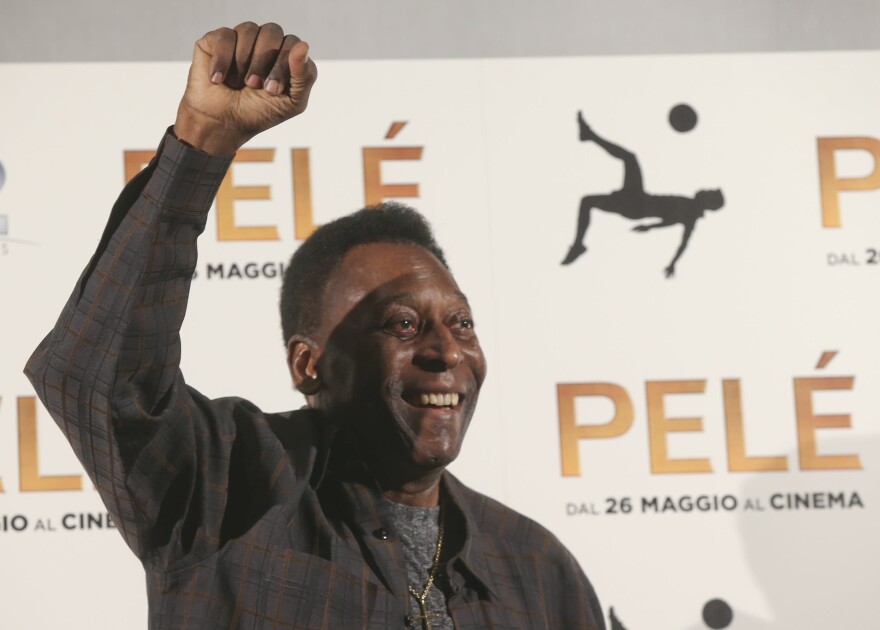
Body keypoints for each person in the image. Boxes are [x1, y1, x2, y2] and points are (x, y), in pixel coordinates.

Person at [25, 22, 605, 630]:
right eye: (402, 324)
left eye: (461, 322)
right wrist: (203, 141)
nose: (446, 351)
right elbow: (96, 376)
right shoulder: (226, 484)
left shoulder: (539, 569)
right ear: (310, 364)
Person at [561, 111, 724, 277]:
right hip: (636, 202)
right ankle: (578, 245)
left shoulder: (691, 214)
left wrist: (672, 263)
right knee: (587, 201)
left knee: (630, 158)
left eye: (709, 192)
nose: (705, 189)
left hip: (636, 203)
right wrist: (650, 227)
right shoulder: (689, 209)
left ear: (709, 202)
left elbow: (683, 242)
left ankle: (589, 135)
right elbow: (669, 221)